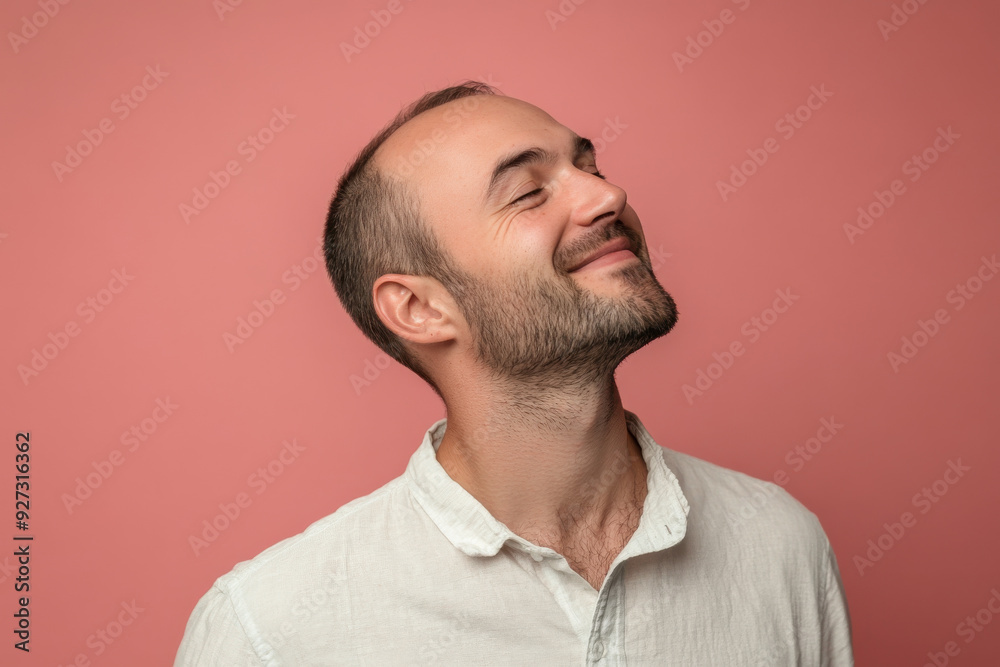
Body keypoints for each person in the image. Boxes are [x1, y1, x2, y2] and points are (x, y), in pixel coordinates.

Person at [175, 81, 853, 665]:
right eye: (529, 192)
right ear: (419, 308)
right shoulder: (269, 629)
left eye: (590, 165)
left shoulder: (777, 543)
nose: (607, 194)